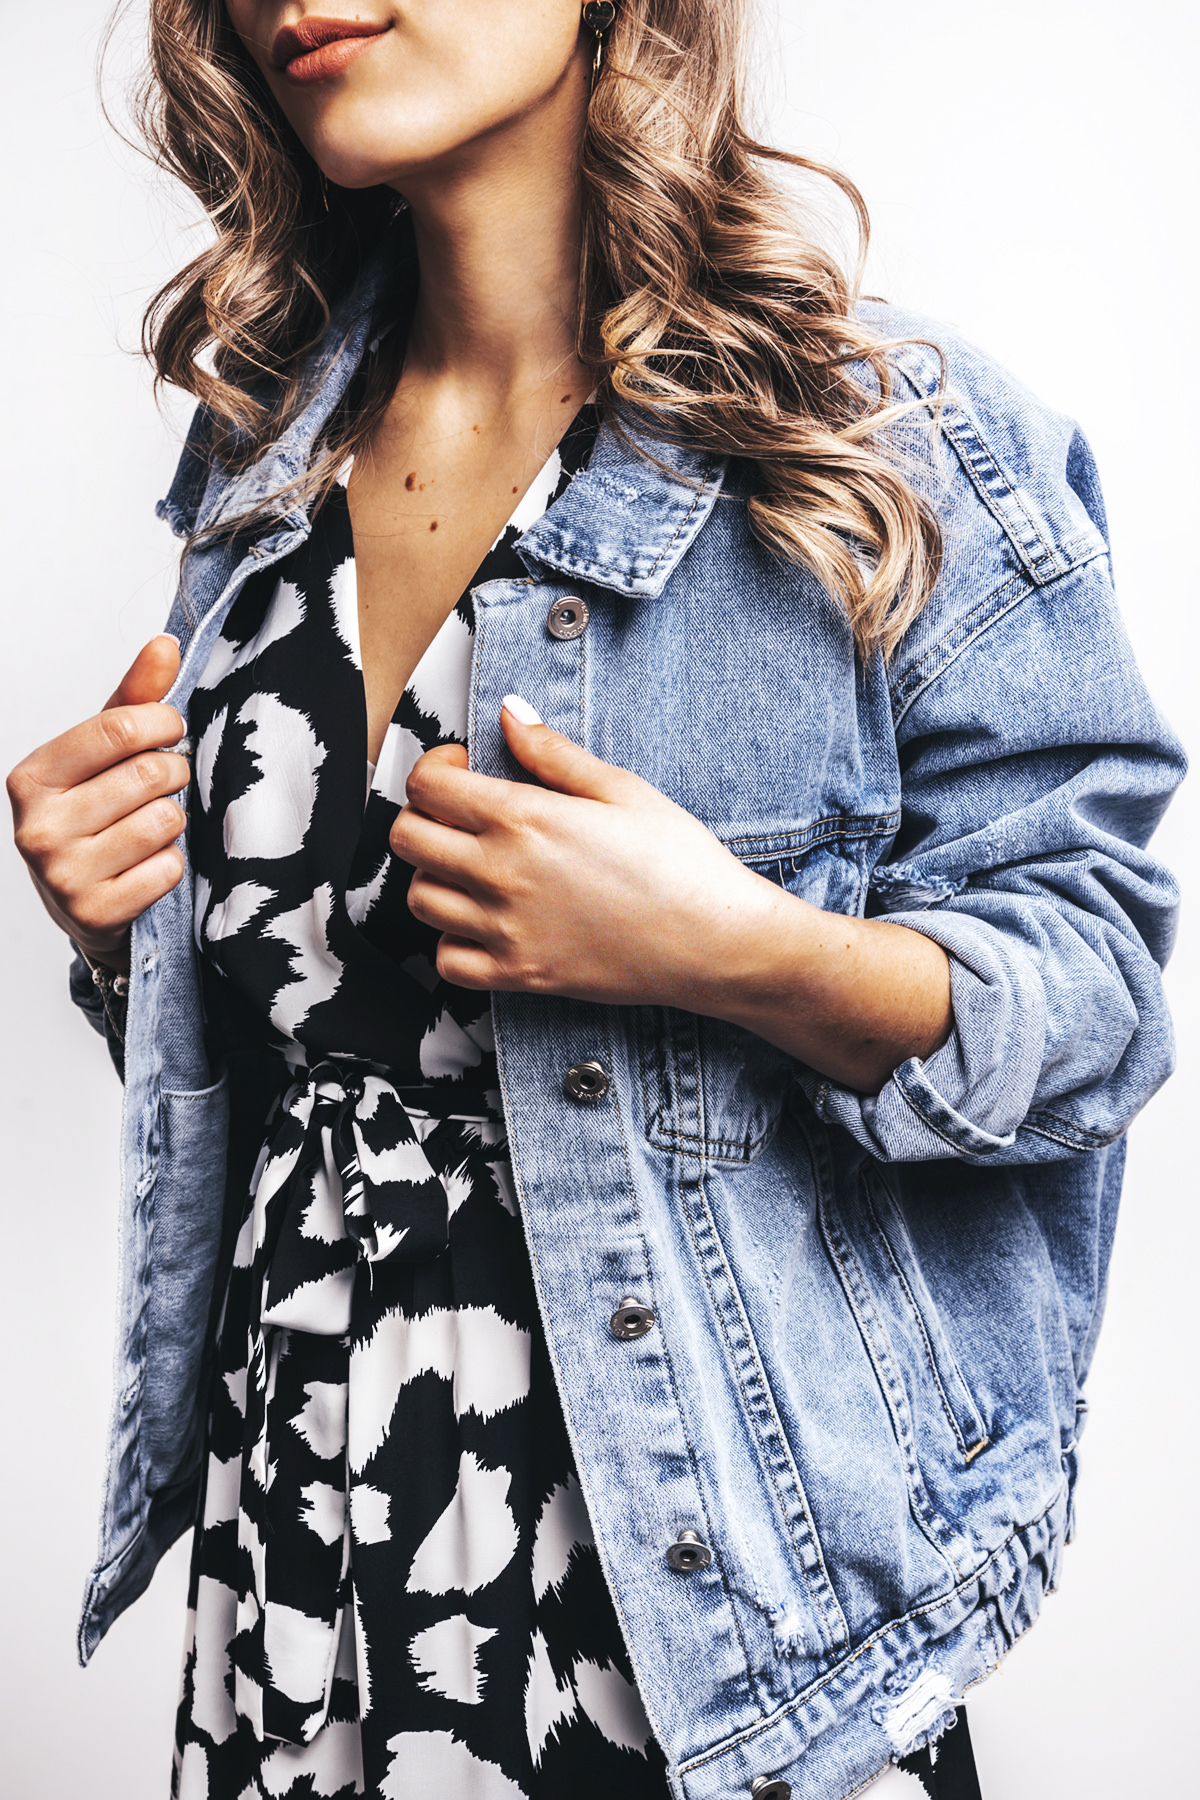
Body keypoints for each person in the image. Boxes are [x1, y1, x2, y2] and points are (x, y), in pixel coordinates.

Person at [6, 0, 1184, 1795]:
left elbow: (1096, 1005)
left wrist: (738, 953)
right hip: (303, 1574)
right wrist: (126, 938)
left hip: (705, 1639)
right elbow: (334, 1079)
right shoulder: (261, 466)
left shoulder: (881, 443)